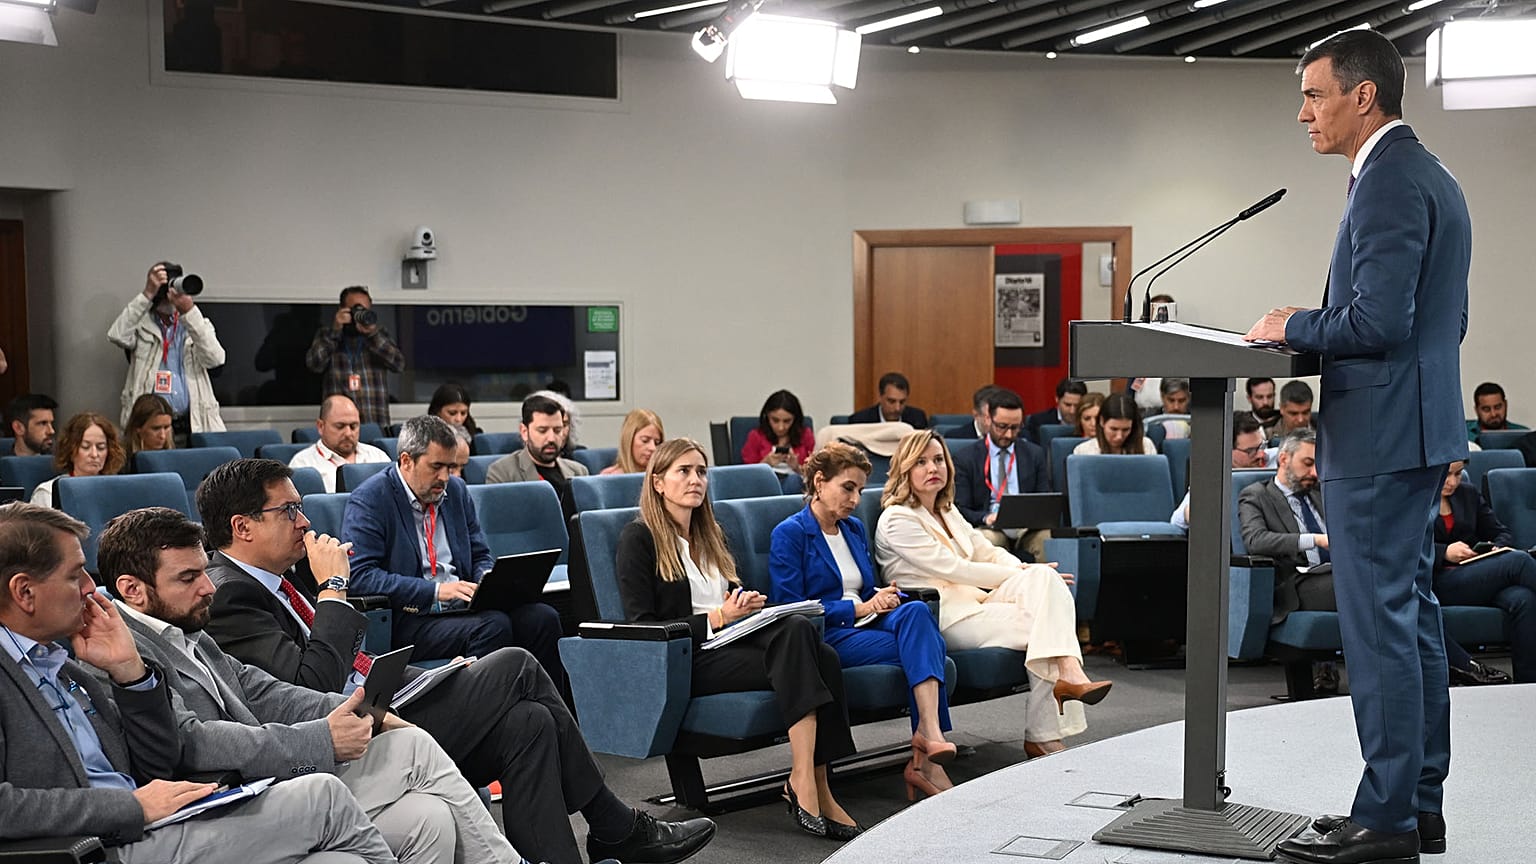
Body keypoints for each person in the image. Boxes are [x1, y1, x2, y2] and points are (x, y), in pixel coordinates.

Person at [113, 501, 715, 864]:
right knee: (513, 661)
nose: (303, 523)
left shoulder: (202, 617)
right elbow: (302, 678)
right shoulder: (232, 598)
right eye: (288, 511)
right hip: (304, 756)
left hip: (356, 711)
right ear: (243, 527)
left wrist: (366, 704)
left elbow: (277, 690)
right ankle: (615, 827)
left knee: (529, 720)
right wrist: (335, 594)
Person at [1244, 30, 1471, 863]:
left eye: (1314, 93)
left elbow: (1378, 321)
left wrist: (1291, 325)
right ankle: (1417, 804)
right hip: (1414, 425)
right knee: (1409, 622)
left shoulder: (1385, 182)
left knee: (1379, 630)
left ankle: (1386, 821)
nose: (1304, 112)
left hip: (1376, 436)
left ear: (1363, 95)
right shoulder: (1430, 174)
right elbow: (1439, 320)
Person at [98, 509, 520, 864]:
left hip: (261, 781)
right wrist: (320, 738)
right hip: (219, 798)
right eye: (188, 577)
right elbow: (192, 740)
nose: (208, 587)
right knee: (416, 748)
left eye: (204, 573)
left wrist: (353, 712)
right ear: (132, 590)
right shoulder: (124, 651)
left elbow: (263, 691)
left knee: (428, 817)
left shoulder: (187, 629)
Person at [0, 502, 398, 864]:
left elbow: (157, 762)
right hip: (100, 846)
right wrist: (131, 807)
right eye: (74, 576)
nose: (90, 587)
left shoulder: (66, 665)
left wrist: (131, 675)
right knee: (322, 796)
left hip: (153, 824)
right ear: (24, 592)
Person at [616, 439, 861, 840]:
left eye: (701, 471)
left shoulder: (710, 534)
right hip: (689, 656)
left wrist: (743, 603)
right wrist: (717, 616)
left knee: (816, 646)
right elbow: (644, 625)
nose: (696, 480)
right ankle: (806, 783)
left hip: (734, 641)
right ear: (658, 482)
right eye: (684, 471)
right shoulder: (639, 538)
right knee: (816, 653)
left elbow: (729, 595)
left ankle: (813, 782)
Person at [874, 430, 1111, 757]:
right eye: (922, 462)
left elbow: (986, 552)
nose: (933, 468)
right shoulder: (896, 519)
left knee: (1044, 578)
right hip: (944, 616)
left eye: (939, 460)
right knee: (1046, 627)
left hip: (978, 602)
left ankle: (1067, 678)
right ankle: (1045, 725)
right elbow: (955, 568)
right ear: (905, 468)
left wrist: (1026, 568)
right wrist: (1019, 571)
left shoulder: (947, 511)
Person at [768, 442, 955, 799]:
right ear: (819, 483)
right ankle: (927, 758)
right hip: (829, 636)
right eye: (848, 488)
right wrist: (859, 609)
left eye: (860, 490)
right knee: (928, 647)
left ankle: (929, 731)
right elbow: (793, 608)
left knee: (916, 611)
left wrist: (884, 596)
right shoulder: (790, 533)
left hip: (867, 624)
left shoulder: (852, 528)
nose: (855, 499)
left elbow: (865, 587)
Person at [344, 416, 564, 679]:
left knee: (543, 618)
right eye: (436, 466)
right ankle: (483, 715)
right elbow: (360, 576)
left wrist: (487, 579)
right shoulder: (370, 499)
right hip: (411, 617)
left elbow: (479, 553)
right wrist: (436, 591)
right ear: (406, 461)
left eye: (450, 467)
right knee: (493, 626)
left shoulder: (455, 491)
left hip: (465, 607)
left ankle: (549, 713)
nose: (445, 477)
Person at [1432, 460, 1536, 683]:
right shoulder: (1415, 498)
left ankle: (1528, 682)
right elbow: (1405, 548)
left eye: (1458, 474)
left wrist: (1496, 547)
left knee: (1523, 598)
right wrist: (1444, 552)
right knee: (1518, 561)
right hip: (1438, 579)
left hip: (1475, 574)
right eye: (1447, 474)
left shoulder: (1467, 494)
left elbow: (1502, 532)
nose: (1452, 482)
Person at [107, 262, 227, 443]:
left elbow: (215, 359)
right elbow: (116, 335)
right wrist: (147, 294)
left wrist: (189, 312)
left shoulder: (197, 325)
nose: (170, 297)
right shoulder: (141, 325)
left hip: (195, 425)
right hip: (150, 431)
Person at [952, 387, 1049, 559]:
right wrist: (985, 518)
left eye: (1015, 428)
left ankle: (1047, 585)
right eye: (1002, 427)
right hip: (989, 526)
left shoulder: (1034, 454)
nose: (1009, 434)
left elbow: (1045, 497)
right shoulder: (966, 458)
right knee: (987, 540)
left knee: (1046, 538)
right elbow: (960, 508)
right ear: (988, 419)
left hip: (1026, 528)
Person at [306, 286, 405, 428]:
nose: (360, 314)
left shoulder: (379, 335)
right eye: (356, 309)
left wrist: (372, 335)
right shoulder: (327, 335)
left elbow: (399, 364)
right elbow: (314, 364)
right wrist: (335, 332)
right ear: (342, 310)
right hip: (340, 428)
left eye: (365, 310)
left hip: (375, 425)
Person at [485, 394, 589, 520]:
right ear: (524, 432)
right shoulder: (502, 473)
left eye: (557, 430)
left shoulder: (579, 472)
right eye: (542, 430)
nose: (551, 438)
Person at [1171, 413, 1275, 531]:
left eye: (1262, 446)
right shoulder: (1215, 474)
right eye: (1251, 451)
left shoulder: (1278, 459)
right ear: (1227, 451)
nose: (1261, 454)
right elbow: (1177, 520)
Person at [287, 395, 392, 494]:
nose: (348, 433)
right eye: (340, 426)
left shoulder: (378, 456)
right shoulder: (302, 463)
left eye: (353, 426)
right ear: (320, 426)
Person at [31, 412, 127, 509]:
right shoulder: (48, 493)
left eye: (101, 447)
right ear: (70, 450)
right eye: (85, 447)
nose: (94, 454)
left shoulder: (118, 491)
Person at [741, 390, 816, 492]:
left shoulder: (805, 435)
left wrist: (797, 467)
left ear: (795, 419)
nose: (781, 427)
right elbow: (744, 475)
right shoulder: (756, 436)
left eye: (787, 421)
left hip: (796, 485)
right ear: (767, 416)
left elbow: (815, 474)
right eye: (775, 420)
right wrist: (764, 464)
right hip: (765, 484)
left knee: (794, 481)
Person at [1072, 393, 1155, 455]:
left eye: (1126, 430)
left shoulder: (1146, 446)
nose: (1119, 436)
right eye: (1113, 429)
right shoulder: (1083, 451)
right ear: (1102, 421)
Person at [848, 372, 928, 428]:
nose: (897, 408)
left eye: (902, 402)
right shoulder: (860, 421)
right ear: (880, 396)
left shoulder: (917, 418)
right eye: (891, 401)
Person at [602, 408, 665, 475]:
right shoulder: (609, 478)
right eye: (645, 440)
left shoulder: (665, 477)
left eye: (657, 443)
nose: (653, 448)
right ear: (629, 441)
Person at [1025, 378, 1086, 444]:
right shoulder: (1039, 421)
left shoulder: (1090, 421)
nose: (1072, 411)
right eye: (1067, 405)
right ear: (1057, 399)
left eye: (1077, 405)